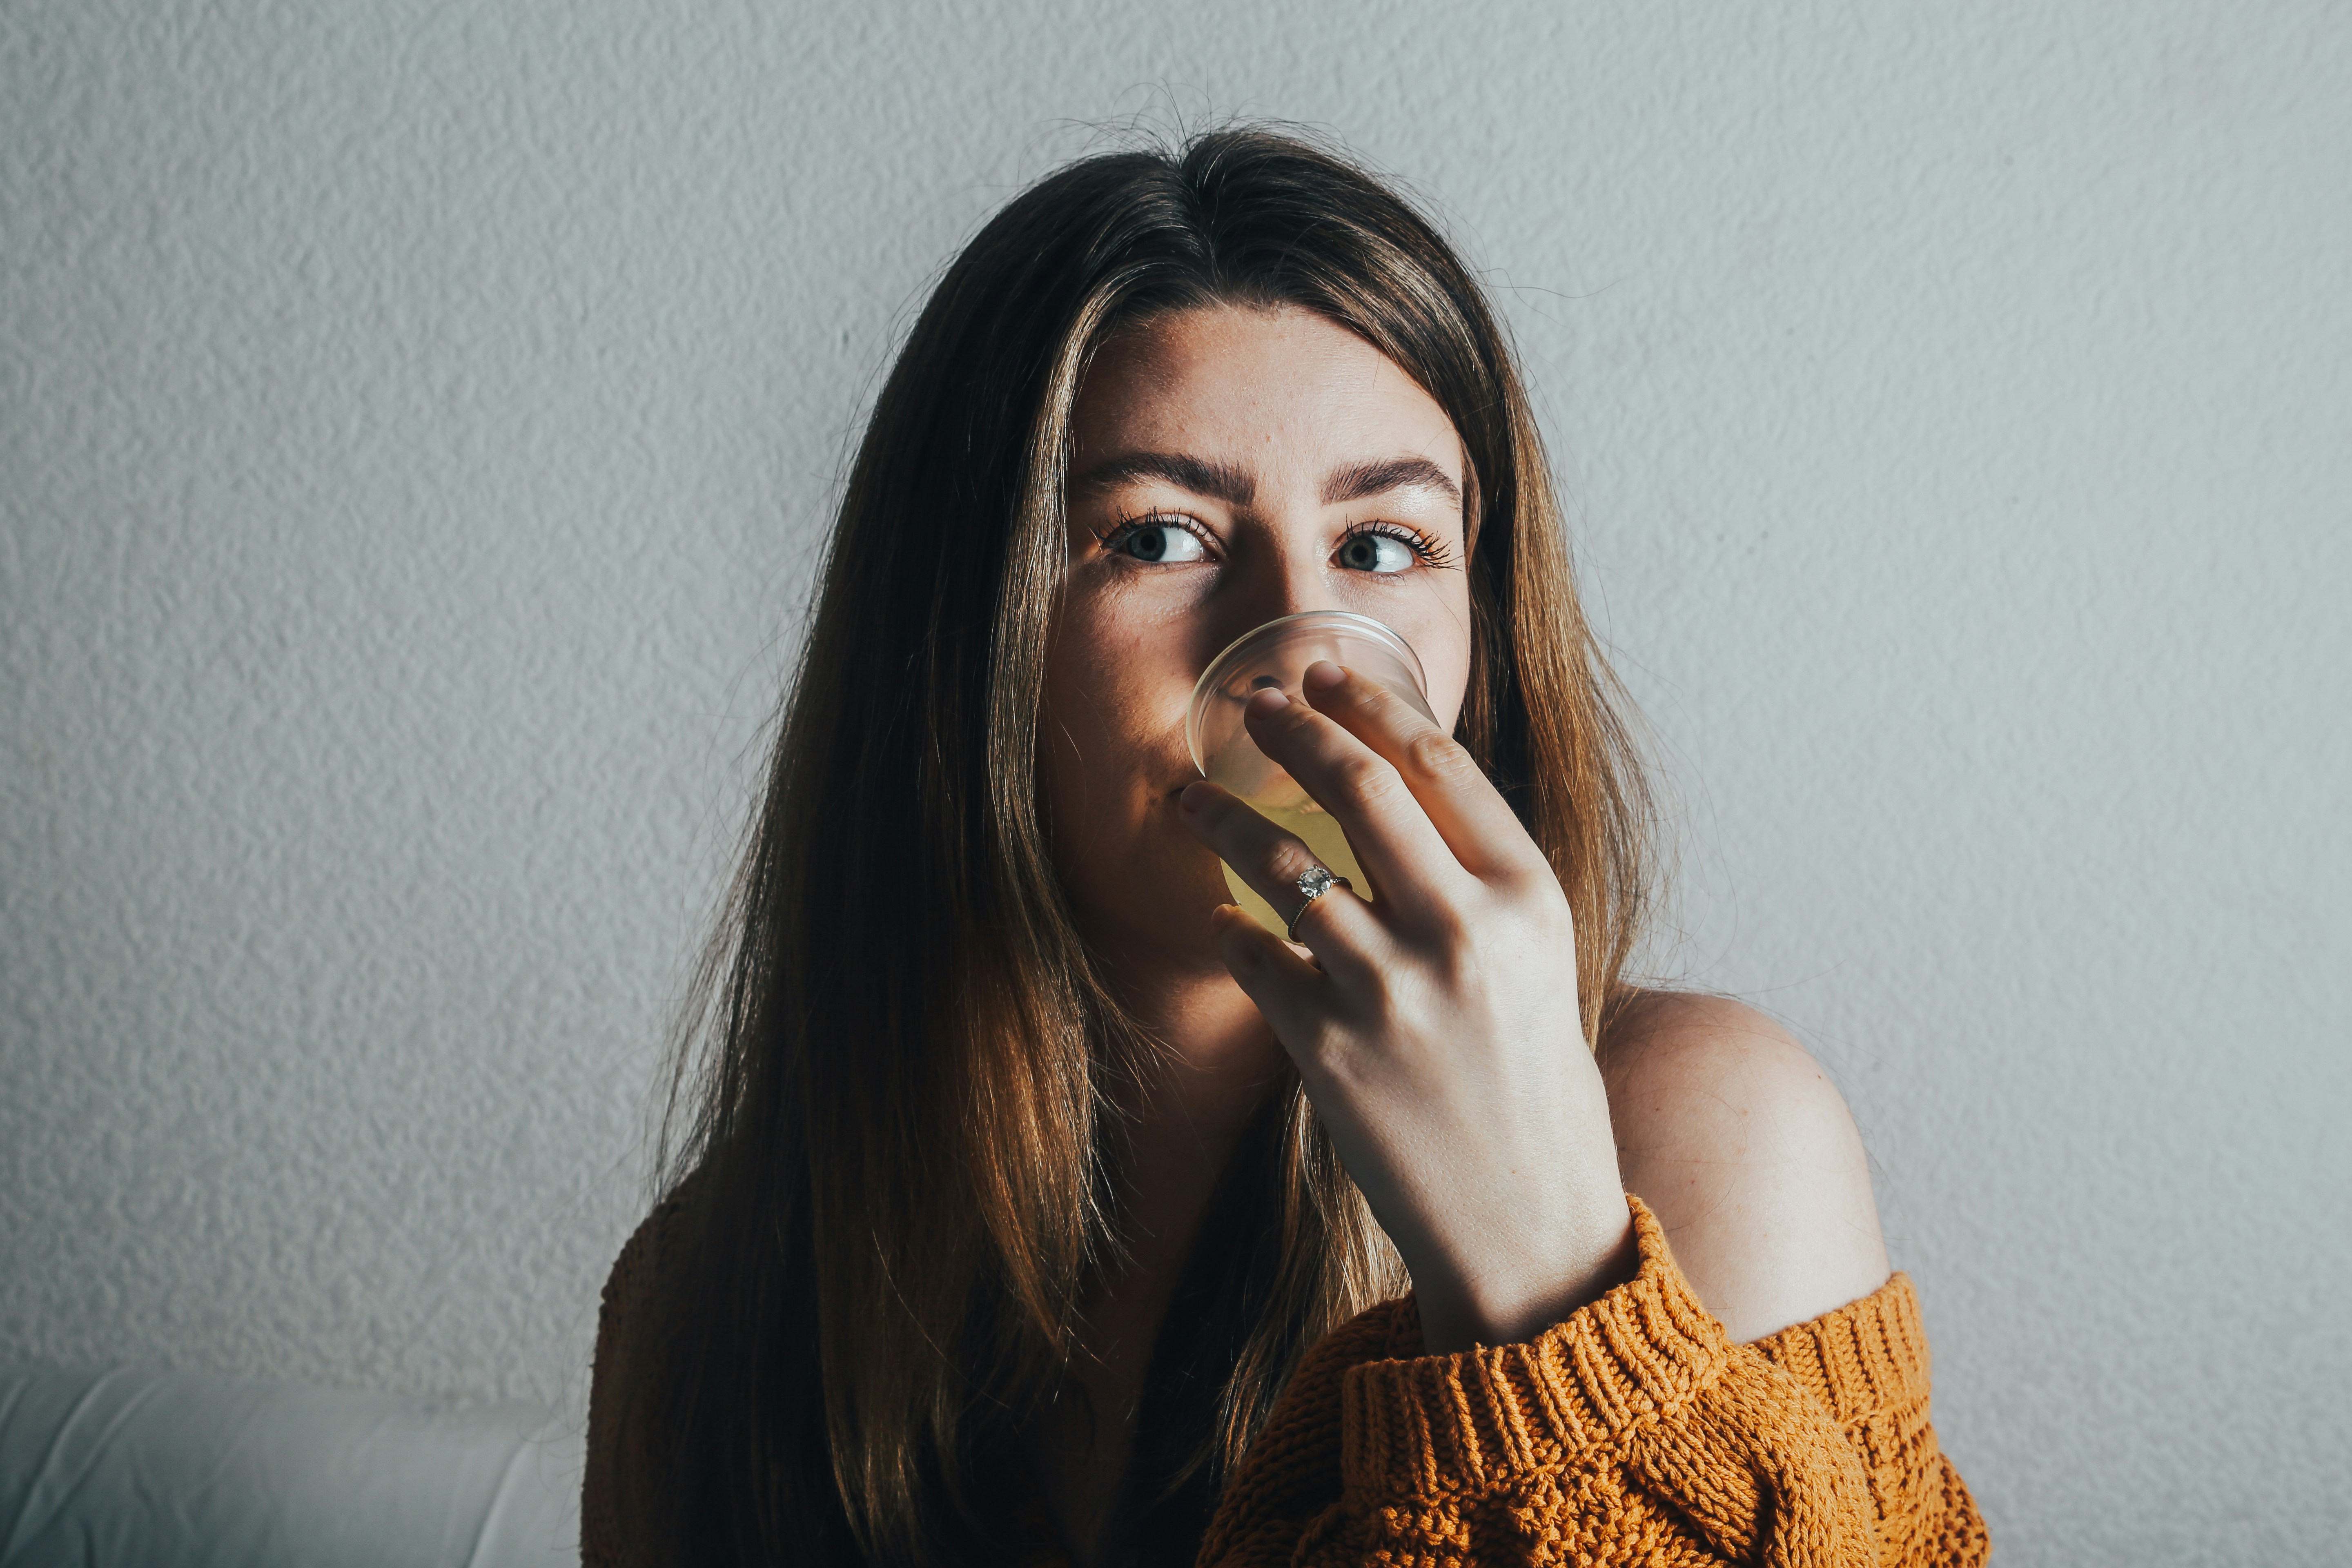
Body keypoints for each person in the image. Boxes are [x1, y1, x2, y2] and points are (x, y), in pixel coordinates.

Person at [581, 127, 1986, 1568]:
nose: (1302, 659)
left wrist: (1543, 1282)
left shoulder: (1700, 1143)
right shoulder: (714, 1301)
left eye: (1382, 547)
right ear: (962, 642)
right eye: (1164, 539)